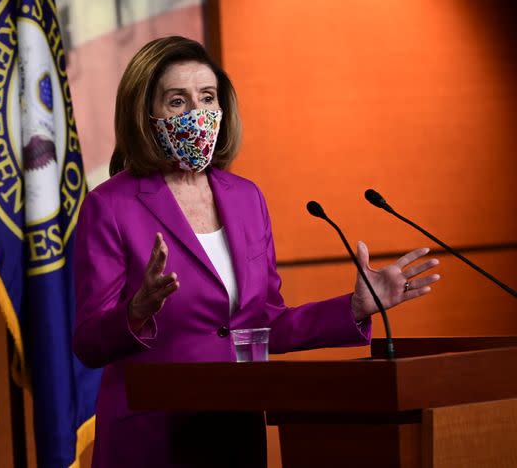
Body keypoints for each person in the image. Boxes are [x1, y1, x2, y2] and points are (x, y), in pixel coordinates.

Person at [72, 36, 440, 467]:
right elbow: (88, 343)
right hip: (153, 437)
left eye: (207, 98)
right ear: (146, 114)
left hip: (235, 430)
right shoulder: (111, 206)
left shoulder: (246, 198)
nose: (198, 113)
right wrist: (135, 311)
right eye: (177, 101)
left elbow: (264, 324)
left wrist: (355, 307)